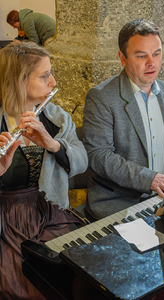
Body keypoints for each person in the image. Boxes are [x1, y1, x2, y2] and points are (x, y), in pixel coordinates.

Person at [0, 42, 88, 299]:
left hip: (49, 210)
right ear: (18, 80)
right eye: (44, 75)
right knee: (21, 286)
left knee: (81, 270)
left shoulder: (56, 117)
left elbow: (82, 162)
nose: (53, 81)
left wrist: (53, 144)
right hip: (6, 220)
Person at [83, 19, 164, 220]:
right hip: (120, 202)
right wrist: (150, 180)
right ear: (122, 58)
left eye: (156, 54)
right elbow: (99, 155)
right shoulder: (102, 97)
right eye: (142, 56)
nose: (152, 63)